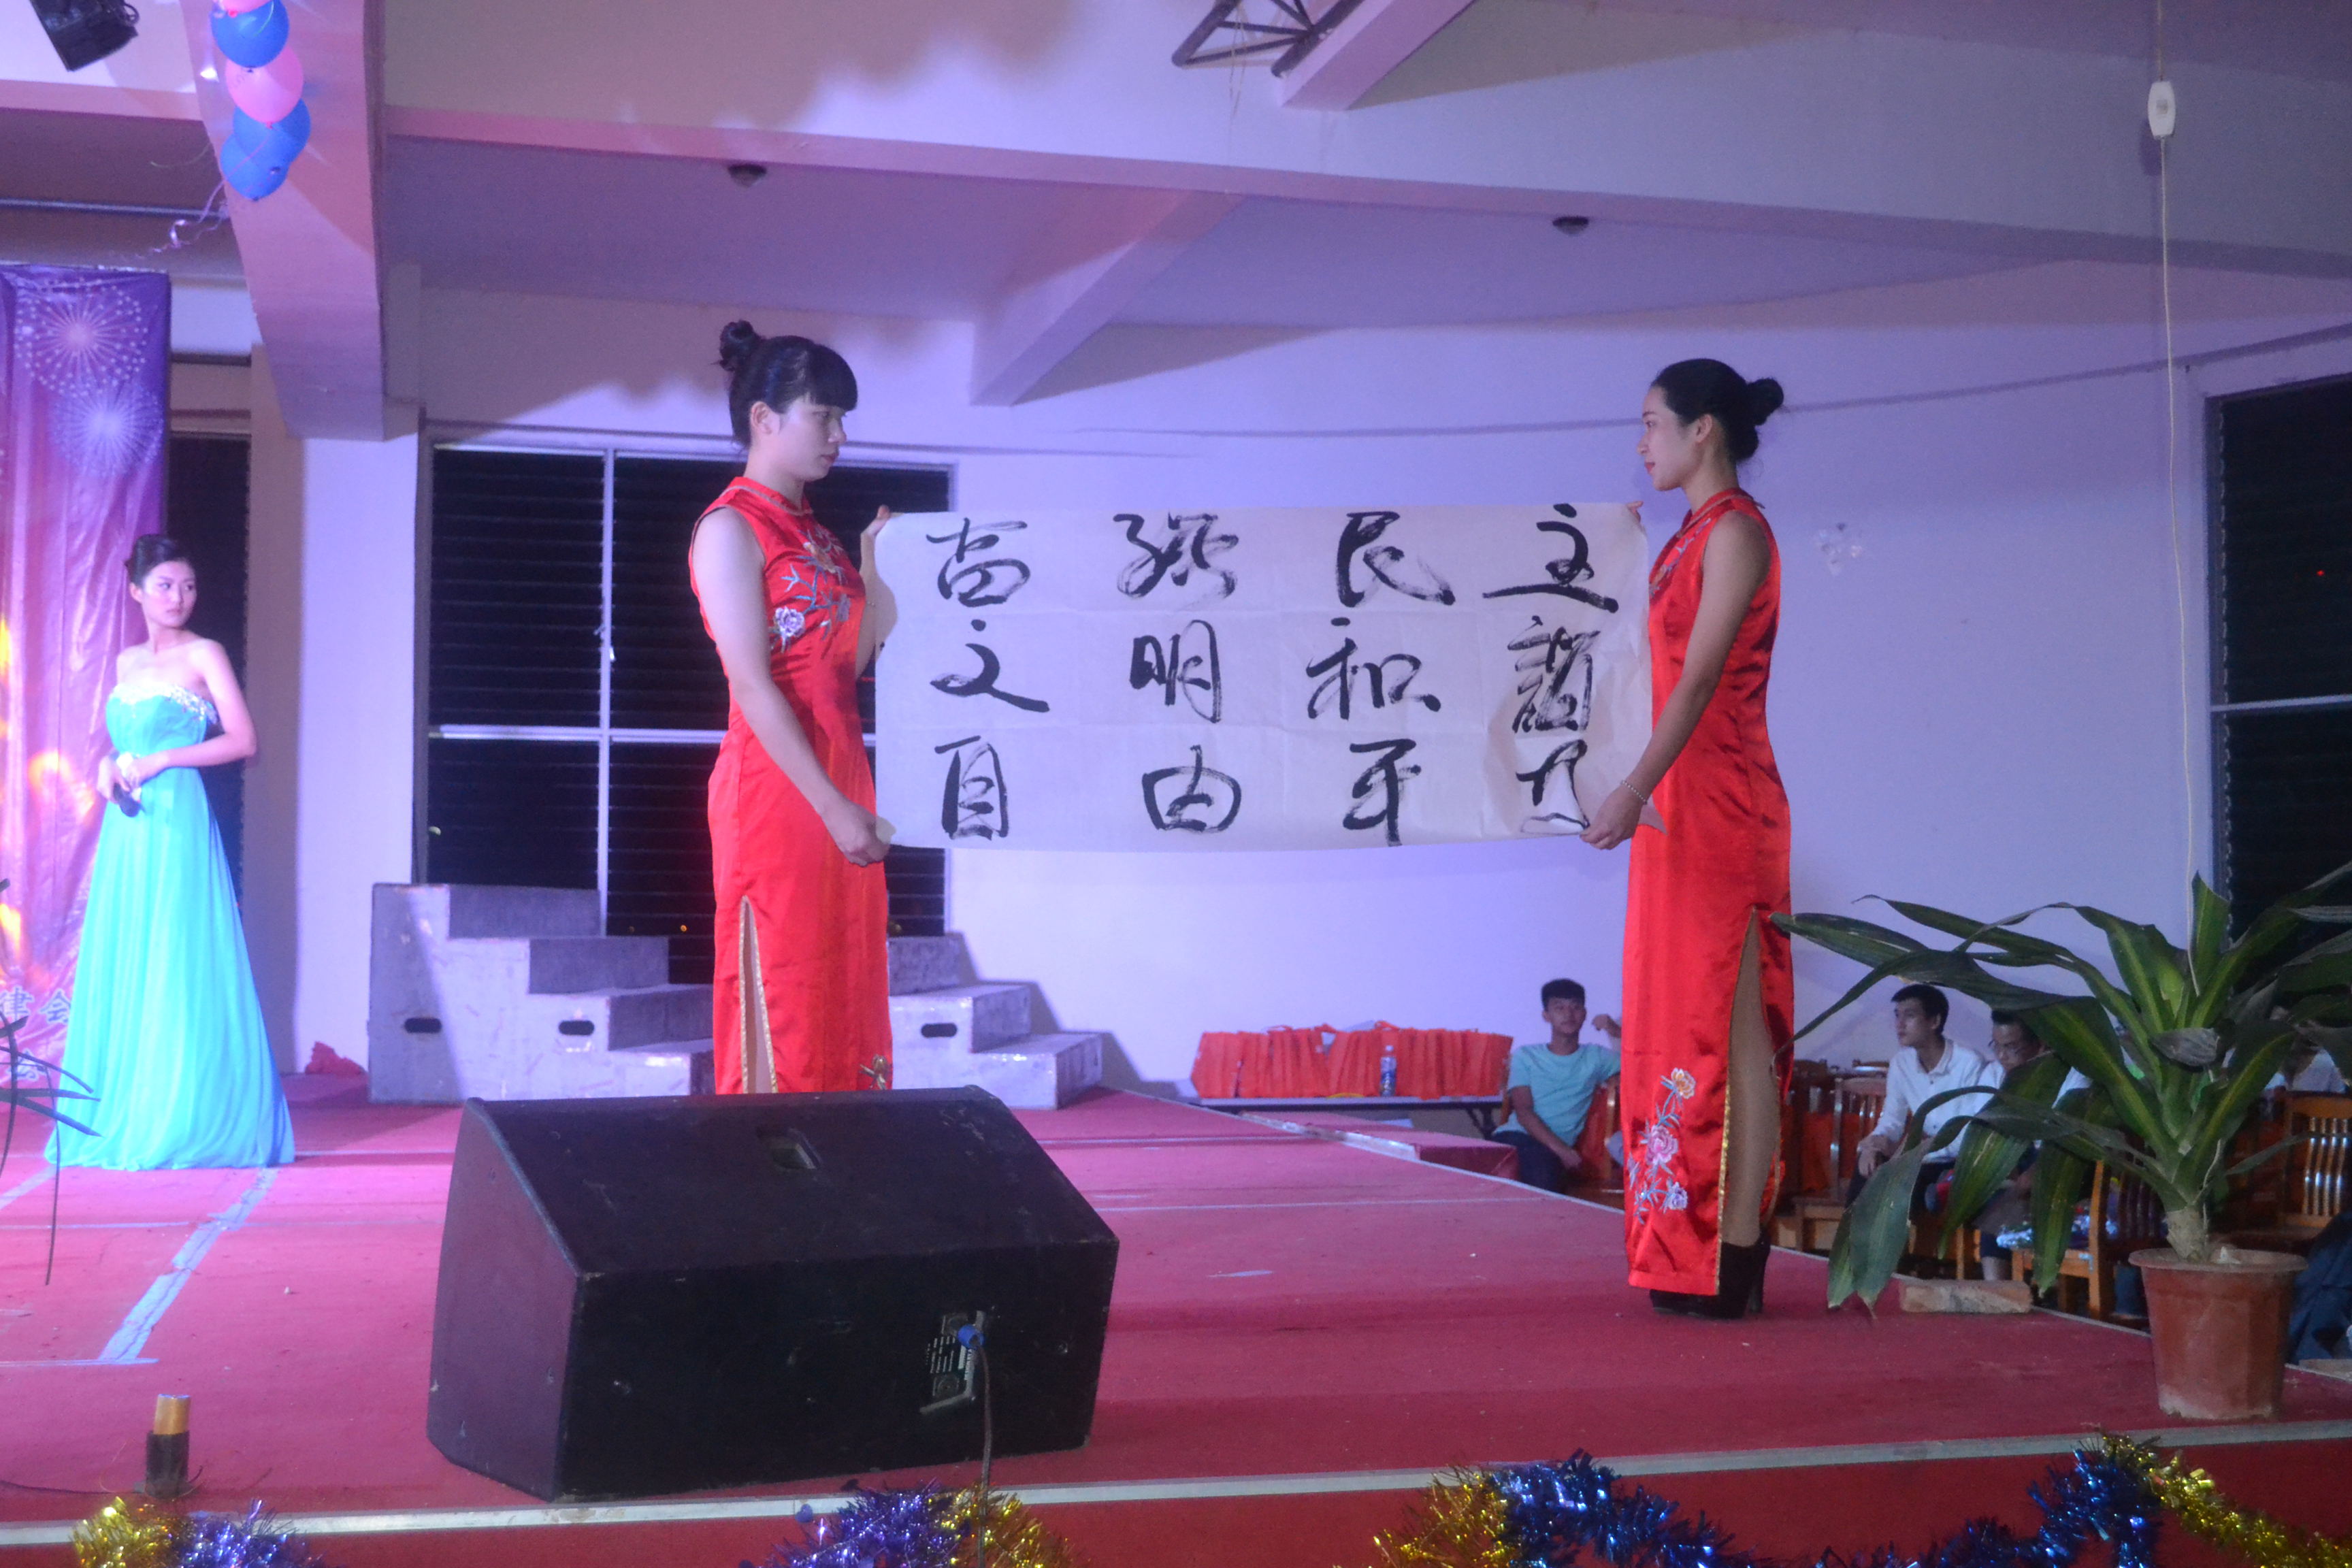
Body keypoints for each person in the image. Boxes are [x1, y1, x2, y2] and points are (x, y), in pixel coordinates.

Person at [1582, 359, 1792, 1319]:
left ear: (1703, 429)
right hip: (1676, 801)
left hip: (1719, 804)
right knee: (1677, 1019)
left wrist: (1633, 788)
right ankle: (1687, 1247)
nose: (1642, 443)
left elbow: (1701, 681)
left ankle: (1734, 1249)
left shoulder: (1737, 532)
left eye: (1651, 423)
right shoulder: (1683, 539)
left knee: (1731, 1024)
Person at [690, 324, 894, 1094]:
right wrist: (833, 808)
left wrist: (875, 564)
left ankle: (845, 1156)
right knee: (788, 986)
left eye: (843, 419)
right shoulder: (730, 528)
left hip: (839, 771)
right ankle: (772, 1156)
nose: (840, 436)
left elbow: (850, 663)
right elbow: (752, 685)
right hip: (781, 788)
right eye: (824, 415)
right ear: (764, 419)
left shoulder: (819, 538)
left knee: (843, 978)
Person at [50, 536, 293, 1169]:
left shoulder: (205, 654)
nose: (178, 597)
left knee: (175, 956)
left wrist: (163, 760)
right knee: (132, 955)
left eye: (187, 586)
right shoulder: (127, 662)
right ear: (136, 591)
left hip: (179, 818)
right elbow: (127, 740)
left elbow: (243, 741)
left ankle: (182, 1113)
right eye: (164, 586)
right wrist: (109, 764)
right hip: (129, 827)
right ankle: (131, 1106)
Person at [1850, 984, 2000, 1209]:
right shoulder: (1901, 1063)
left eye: (1909, 1016)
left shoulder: (1968, 1063)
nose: (1899, 1024)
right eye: (1897, 1015)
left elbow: (1965, 1138)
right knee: (1867, 1169)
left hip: (1952, 1161)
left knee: (1903, 1185)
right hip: (1917, 1156)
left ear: (1934, 1021)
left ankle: (1898, 1232)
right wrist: (1871, 1148)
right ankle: (1851, 1232)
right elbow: (1892, 1122)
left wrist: (1907, 1152)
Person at [1490, 979, 1622, 1191]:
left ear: (1584, 1014)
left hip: (1552, 1153)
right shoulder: (1527, 1056)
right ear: (1546, 1015)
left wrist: (1616, 1031)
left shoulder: (1597, 1057)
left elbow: (1646, 1060)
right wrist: (1562, 1150)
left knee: (1548, 1176)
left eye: (1575, 1007)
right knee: (1543, 1176)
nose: (1568, 1014)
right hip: (1517, 1137)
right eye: (1559, 1008)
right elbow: (1524, 1112)